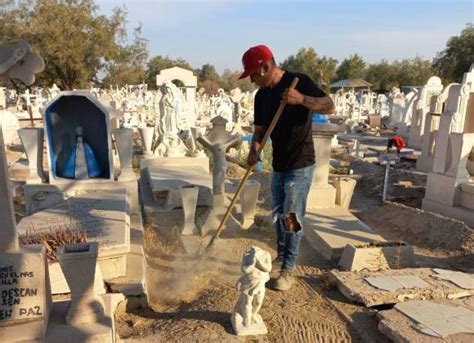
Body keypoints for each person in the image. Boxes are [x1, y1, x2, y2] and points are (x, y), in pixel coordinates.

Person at [240, 45, 335, 291]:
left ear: (265, 66)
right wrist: (254, 152)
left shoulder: (298, 82)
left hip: (300, 164)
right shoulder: (261, 97)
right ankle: (282, 256)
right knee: (279, 215)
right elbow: (260, 132)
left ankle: (288, 270)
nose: (251, 79)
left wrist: (302, 100)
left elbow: (330, 105)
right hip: (279, 165)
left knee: (292, 217)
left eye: (253, 74)